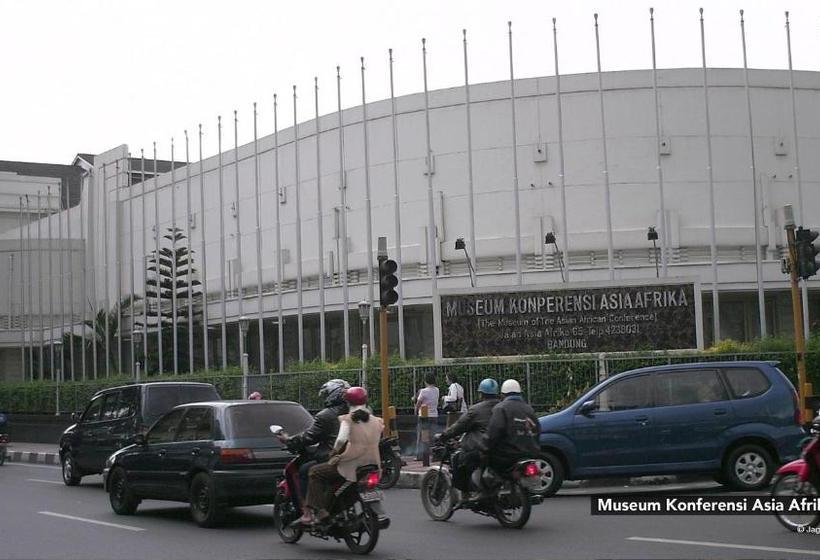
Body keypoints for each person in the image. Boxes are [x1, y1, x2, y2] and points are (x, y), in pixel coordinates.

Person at [299, 386, 383, 525]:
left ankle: (319, 511)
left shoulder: (347, 419)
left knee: (314, 472)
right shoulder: (376, 420)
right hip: (373, 462)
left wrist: (334, 452)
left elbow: (341, 440)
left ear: (347, 402)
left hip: (352, 463)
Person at [277, 378, 350, 508]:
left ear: (333, 394)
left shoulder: (326, 415)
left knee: (305, 470)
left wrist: (289, 440)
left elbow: (310, 437)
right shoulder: (361, 412)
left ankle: (310, 508)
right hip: (359, 458)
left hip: (334, 458)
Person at [436, 378, 500, 495]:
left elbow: (459, 426)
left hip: (482, 448)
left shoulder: (476, 409)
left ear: (481, 394)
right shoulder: (502, 407)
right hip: (500, 448)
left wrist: (443, 436)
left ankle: (465, 493)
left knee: (458, 459)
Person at [478, 378, 540, 485]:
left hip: (507, 457)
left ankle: (489, 487)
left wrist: (483, 447)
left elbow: (493, 433)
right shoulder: (529, 409)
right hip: (530, 454)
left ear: (503, 394)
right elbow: (537, 432)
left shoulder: (501, 408)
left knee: (486, 467)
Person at [413, 373, 439, 459]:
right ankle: (434, 454)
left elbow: (418, 403)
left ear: (425, 381)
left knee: (422, 436)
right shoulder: (437, 390)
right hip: (434, 414)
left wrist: (416, 410)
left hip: (424, 416)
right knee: (433, 435)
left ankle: (420, 455)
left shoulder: (423, 391)